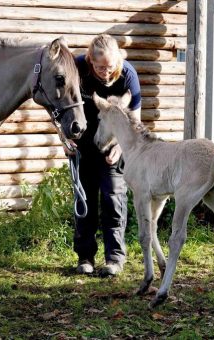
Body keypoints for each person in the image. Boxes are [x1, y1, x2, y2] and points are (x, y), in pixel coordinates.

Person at [68, 34, 141, 277]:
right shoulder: (77, 69)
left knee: (113, 199)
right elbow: (61, 107)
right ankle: (85, 257)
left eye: (110, 67)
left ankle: (114, 259)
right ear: (90, 60)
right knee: (84, 201)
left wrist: (119, 147)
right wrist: (64, 137)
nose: (106, 73)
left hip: (112, 146)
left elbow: (134, 122)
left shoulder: (128, 76)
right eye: (100, 67)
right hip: (83, 144)